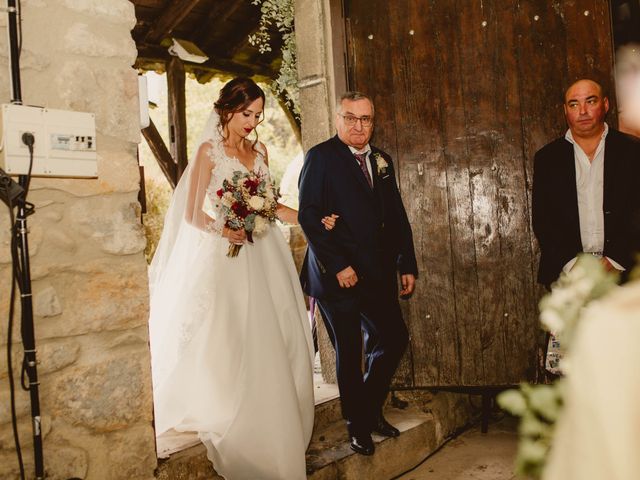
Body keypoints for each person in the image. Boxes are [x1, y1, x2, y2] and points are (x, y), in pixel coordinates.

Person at [148, 77, 336, 480]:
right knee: (238, 332)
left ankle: (276, 408)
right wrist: (225, 229)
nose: (251, 122)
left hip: (266, 252)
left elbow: (270, 206)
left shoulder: (261, 151)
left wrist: (311, 216)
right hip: (229, 256)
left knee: (278, 330)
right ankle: (239, 408)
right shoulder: (208, 152)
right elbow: (191, 214)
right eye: (245, 113)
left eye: (256, 114)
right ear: (226, 109)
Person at [298, 91, 418, 456]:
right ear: (338, 120)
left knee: (395, 338)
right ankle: (357, 424)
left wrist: (407, 262)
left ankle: (367, 408)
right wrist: (339, 265)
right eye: (350, 118)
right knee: (350, 351)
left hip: (376, 271)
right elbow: (308, 216)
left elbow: (395, 215)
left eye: (365, 119)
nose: (358, 126)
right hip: (335, 275)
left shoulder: (382, 160)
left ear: (373, 122)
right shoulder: (320, 158)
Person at [532, 78, 640, 288]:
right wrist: (575, 265)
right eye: (574, 104)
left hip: (627, 274)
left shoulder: (633, 151)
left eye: (590, 101)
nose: (582, 111)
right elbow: (544, 220)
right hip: (569, 277)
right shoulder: (547, 158)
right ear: (565, 110)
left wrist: (615, 260)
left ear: (605, 105)